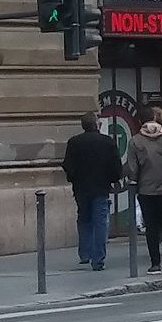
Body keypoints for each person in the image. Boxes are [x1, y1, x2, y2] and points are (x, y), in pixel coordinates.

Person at [124, 107, 162, 273]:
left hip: (146, 190)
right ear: (154, 118)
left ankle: (155, 264)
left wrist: (135, 183)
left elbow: (132, 168)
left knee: (152, 227)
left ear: (140, 122)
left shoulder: (135, 141)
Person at [61, 113, 122, 271]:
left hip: (81, 187)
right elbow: (116, 167)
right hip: (101, 187)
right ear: (97, 125)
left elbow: (68, 165)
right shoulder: (107, 142)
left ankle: (85, 253)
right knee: (100, 221)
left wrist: (73, 178)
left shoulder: (74, 142)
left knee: (84, 218)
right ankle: (98, 258)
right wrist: (112, 179)